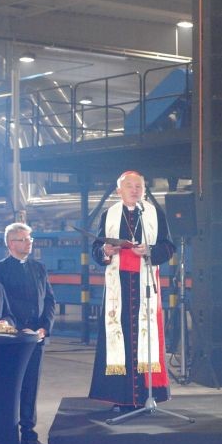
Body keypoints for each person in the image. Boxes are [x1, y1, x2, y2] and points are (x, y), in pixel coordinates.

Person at [89, 171, 175, 409]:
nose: (135, 190)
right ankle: (121, 398)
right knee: (120, 339)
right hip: (119, 287)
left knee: (145, 338)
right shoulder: (109, 215)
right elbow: (96, 249)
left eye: (139, 186)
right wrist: (106, 251)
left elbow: (169, 248)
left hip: (144, 285)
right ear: (119, 191)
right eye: (130, 186)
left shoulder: (154, 213)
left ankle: (148, 397)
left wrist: (149, 251)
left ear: (144, 190)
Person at [0, 222, 56, 444]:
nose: (29, 243)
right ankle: (6, 436)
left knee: (30, 387)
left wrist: (44, 329)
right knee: (10, 388)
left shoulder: (39, 268)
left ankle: (28, 435)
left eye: (30, 239)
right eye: (24, 239)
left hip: (36, 338)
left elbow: (49, 300)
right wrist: (16, 329)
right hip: (12, 339)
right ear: (11, 243)